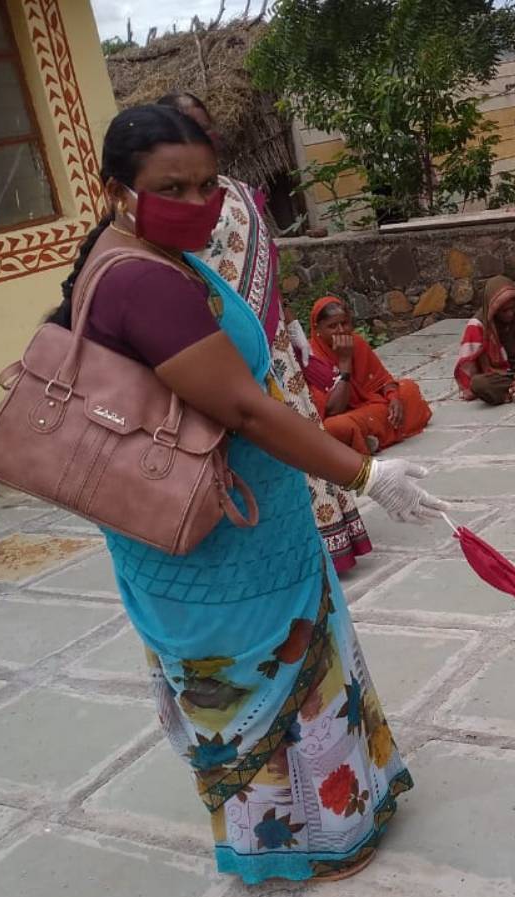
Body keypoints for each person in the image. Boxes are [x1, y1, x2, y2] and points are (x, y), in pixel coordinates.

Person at [45, 105, 446, 884]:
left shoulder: (146, 253)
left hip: (241, 527)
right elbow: (244, 407)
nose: (196, 204)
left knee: (289, 672)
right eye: (171, 187)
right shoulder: (139, 279)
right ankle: (299, 844)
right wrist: (364, 474)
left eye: (206, 185)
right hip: (220, 541)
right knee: (259, 683)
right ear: (114, 190)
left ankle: (337, 818)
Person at [160, 92, 373, 576]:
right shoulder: (165, 213)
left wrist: (298, 345)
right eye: (184, 130)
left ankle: (326, 543)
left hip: (273, 352)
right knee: (251, 462)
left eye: (204, 131)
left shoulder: (240, 197)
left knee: (300, 440)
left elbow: (271, 280)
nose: (198, 141)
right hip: (213, 359)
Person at [307, 297, 433, 453]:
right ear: (317, 329)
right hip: (344, 416)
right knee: (335, 427)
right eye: (332, 326)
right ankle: (369, 436)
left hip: (370, 407)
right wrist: (345, 363)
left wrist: (394, 398)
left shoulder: (357, 342)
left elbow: (383, 379)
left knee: (408, 389)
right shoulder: (310, 358)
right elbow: (333, 410)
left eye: (344, 323)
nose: (341, 330)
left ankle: (369, 438)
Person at [453, 278, 515, 405]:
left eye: (513, 308)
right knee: (479, 384)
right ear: (494, 309)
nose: (510, 314)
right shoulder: (479, 325)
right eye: (504, 311)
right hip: (506, 375)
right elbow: (481, 367)